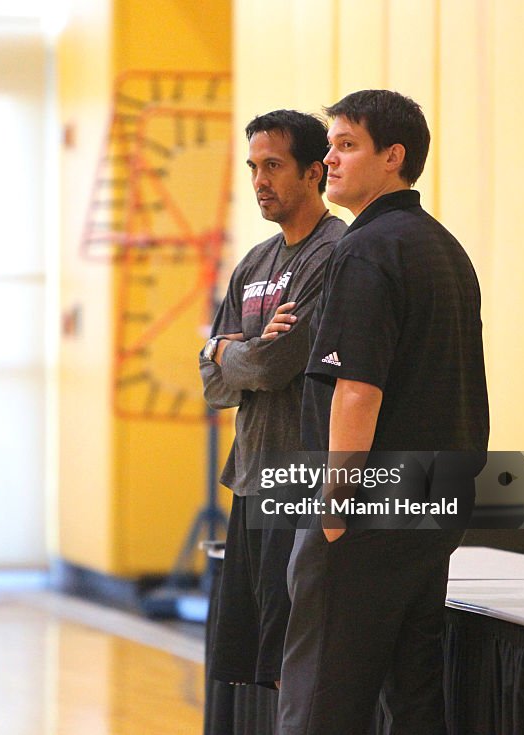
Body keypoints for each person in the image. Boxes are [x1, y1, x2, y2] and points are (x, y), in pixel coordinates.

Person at [276, 90, 489, 735]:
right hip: (437, 499)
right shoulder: (445, 249)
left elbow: (356, 390)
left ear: (393, 157)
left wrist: (335, 513)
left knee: (323, 695)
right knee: (413, 689)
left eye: (347, 145)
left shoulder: (367, 250)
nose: (329, 159)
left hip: (369, 508)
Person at [199, 109, 347, 694]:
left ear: (314, 172)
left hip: (301, 481)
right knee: (249, 663)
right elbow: (214, 385)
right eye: (254, 167)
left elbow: (274, 363)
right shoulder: (254, 263)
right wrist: (231, 353)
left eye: (274, 166)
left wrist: (230, 352)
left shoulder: (332, 254)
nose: (260, 180)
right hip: (250, 480)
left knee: (289, 657)